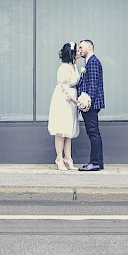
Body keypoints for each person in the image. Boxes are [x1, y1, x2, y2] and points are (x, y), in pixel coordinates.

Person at [47, 41, 81, 171]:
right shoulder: (64, 68)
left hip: (73, 97)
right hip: (63, 99)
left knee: (68, 129)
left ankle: (68, 157)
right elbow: (64, 87)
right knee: (61, 130)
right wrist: (74, 100)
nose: (79, 52)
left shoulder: (74, 66)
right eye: (77, 50)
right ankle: (59, 158)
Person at [75, 39, 105, 171]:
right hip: (90, 103)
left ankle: (95, 163)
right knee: (93, 132)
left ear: (89, 47)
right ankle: (98, 162)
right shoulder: (88, 62)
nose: (79, 50)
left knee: (93, 132)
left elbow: (93, 84)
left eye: (81, 47)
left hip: (90, 104)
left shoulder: (92, 62)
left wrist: (87, 101)